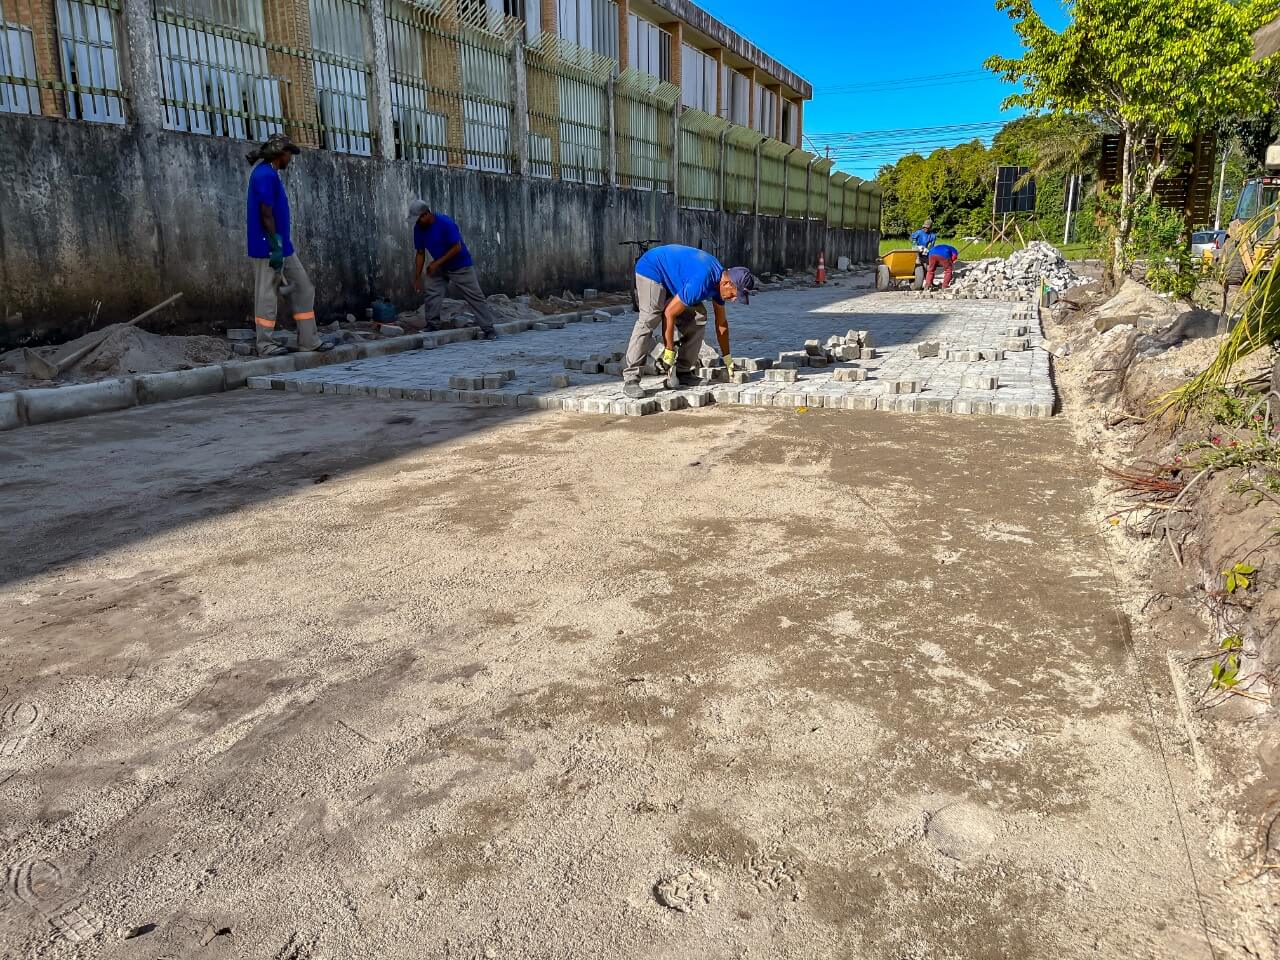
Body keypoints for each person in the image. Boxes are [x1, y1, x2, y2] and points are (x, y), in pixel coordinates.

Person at [621, 244, 756, 399]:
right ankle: (631, 378)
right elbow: (669, 313)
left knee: (698, 317)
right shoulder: (702, 281)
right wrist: (669, 350)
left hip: (675, 277)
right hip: (652, 268)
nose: (733, 300)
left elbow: (721, 324)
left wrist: (728, 359)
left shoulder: (719, 284)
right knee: (650, 317)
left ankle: (683, 372)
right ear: (727, 283)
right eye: (733, 295)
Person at [246, 133, 331, 357]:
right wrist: (274, 245)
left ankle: (308, 340)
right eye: (289, 154)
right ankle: (265, 344)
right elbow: (265, 213)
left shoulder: (270, 173)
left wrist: (281, 245)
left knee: (303, 288)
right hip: (268, 246)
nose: (290, 158)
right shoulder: (264, 175)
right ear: (280, 154)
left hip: (283, 245)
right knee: (267, 294)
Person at [408, 200, 498, 339]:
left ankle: (488, 328)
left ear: (426, 214)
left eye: (418, 219)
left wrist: (437, 263)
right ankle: (432, 325)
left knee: (475, 296)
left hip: (460, 264)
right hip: (440, 265)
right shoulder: (418, 229)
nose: (417, 223)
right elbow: (420, 253)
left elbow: (457, 247)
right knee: (432, 291)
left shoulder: (445, 223)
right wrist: (417, 277)